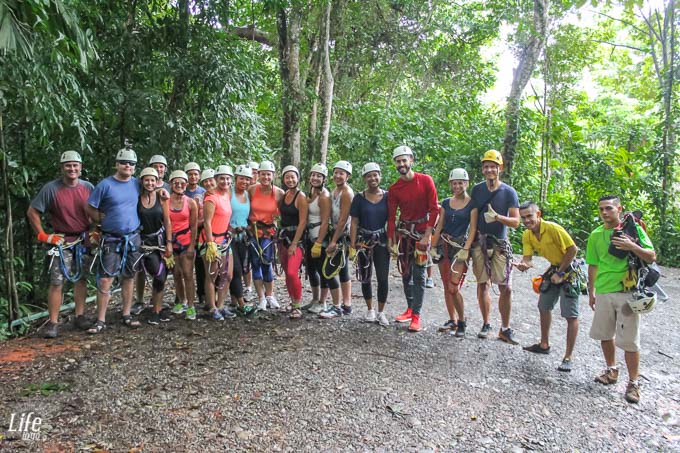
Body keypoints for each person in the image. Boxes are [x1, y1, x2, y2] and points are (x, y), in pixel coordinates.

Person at [586, 195, 656, 404]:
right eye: (601, 209)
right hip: (604, 290)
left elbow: (651, 256)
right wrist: (591, 292)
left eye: (609, 208)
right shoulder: (596, 235)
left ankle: (633, 383)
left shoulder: (632, 230)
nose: (605, 213)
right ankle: (611, 370)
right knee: (605, 334)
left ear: (619, 209)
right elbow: (592, 264)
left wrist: (631, 246)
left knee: (630, 341)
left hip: (628, 291)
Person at [27, 151, 95, 338]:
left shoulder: (88, 187)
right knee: (57, 281)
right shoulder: (51, 189)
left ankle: (80, 316)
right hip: (62, 241)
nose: (72, 169)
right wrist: (43, 235)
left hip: (83, 239)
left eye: (75, 165)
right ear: (62, 168)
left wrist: (96, 230)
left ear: (80, 168)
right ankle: (53, 322)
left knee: (81, 278)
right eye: (68, 165)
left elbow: (98, 210)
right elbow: (33, 211)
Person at [514, 202, 580, 371]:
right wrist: (524, 265)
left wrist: (561, 273)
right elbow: (528, 258)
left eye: (530, 216)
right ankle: (544, 344)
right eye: (524, 218)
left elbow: (573, 250)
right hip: (554, 269)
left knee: (570, 314)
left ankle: (568, 356)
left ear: (538, 214)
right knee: (543, 306)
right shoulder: (527, 235)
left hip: (569, 270)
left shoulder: (553, 228)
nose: (527, 220)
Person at [85, 148, 144, 333]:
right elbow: (90, 207)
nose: (128, 166)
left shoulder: (137, 184)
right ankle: (100, 319)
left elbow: (154, 189)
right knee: (105, 279)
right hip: (111, 238)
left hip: (132, 237)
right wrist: (102, 220)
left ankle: (126, 313)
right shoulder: (105, 185)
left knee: (129, 276)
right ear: (117, 164)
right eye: (124, 162)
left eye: (132, 163)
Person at [470, 149, 520, 344]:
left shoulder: (509, 192)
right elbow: (473, 218)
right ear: (483, 169)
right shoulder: (478, 190)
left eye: (493, 166)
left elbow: (516, 221)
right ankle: (486, 323)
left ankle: (505, 328)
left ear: (500, 168)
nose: (490, 169)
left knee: (505, 286)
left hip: (499, 243)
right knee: (483, 283)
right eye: (486, 166)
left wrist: (498, 217)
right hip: (480, 242)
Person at [387, 145, 439, 332]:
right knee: (405, 273)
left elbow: (434, 209)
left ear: (411, 160)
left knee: (419, 274)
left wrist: (427, 235)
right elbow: (391, 217)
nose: (401, 164)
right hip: (405, 235)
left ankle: (416, 315)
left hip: (421, 234)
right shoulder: (394, 189)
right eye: (398, 161)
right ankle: (409, 308)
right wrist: (391, 240)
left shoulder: (425, 181)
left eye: (404, 160)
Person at [431, 168, 477, 338]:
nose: (457, 186)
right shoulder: (445, 203)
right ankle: (452, 319)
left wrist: (466, 249)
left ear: (466, 183)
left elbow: (472, 228)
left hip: (460, 248)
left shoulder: (472, 204)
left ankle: (462, 321)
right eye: (454, 183)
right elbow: (440, 225)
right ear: (451, 184)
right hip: (445, 246)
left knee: (453, 286)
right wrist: (433, 246)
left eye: (460, 183)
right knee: (446, 284)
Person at [349, 163, 390, 327]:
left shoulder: (388, 196)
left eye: (375, 175)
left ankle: (381, 311)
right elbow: (354, 222)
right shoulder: (359, 198)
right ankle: (370, 309)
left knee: (382, 277)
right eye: (369, 176)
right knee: (365, 276)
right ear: (365, 179)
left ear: (380, 176)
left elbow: (393, 220)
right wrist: (353, 245)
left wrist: (393, 241)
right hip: (363, 240)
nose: (373, 178)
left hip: (381, 239)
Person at [302, 164, 341, 315]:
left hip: (320, 236)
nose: (315, 178)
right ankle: (315, 299)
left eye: (319, 176)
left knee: (324, 270)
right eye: (313, 175)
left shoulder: (324, 196)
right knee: (311, 269)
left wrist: (319, 242)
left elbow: (325, 221)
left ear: (324, 179)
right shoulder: (310, 192)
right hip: (310, 235)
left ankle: (324, 302)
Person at [137, 167, 173, 325]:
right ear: (142, 182)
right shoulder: (137, 198)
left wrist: (169, 243)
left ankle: (156, 310)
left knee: (162, 276)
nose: (150, 183)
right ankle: (153, 307)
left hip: (161, 241)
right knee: (157, 274)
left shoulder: (161, 197)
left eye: (152, 180)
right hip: (144, 243)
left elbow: (167, 221)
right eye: (147, 180)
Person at [199, 167, 235, 320]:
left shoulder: (227, 194)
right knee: (212, 275)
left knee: (227, 275)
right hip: (211, 240)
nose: (225, 181)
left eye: (227, 178)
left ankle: (220, 305)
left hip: (225, 240)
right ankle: (212, 307)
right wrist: (210, 243)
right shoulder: (211, 198)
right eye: (222, 178)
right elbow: (207, 222)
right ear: (216, 179)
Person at [248, 160, 285, 310]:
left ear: (273, 175)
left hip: (269, 232)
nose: (265, 177)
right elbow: (245, 208)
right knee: (255, 263)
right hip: (254, 231)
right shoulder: (251, 190)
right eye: (263, 174)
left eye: (268, 174)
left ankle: (270, 295)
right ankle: (261, 297)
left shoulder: (278, 193)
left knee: (267, 263)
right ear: (258, 175)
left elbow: (284, 213)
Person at [320, 161, 354, 319]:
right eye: (336, 172)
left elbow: (343, 219)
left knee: (331, 270)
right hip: (336, 232)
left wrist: (333, 241)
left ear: (347, 176)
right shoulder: (335, 191)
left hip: (341, 234)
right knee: (343, 269)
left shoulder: (346, 192)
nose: (338, 176)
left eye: (342, 173)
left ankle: (336, 306)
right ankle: (347, 305)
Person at [277, 165, 308, 318]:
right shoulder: (284, 195)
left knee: (291, 272)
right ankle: (292, 301)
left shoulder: (301, 197)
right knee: (287, 273)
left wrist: (295, 243)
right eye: (287, 177)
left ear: (298, 178)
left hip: (297, 239)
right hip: (283, 238)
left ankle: (297, 305)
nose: (290, 180)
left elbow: (303, 222)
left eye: (293, 177)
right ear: (283, 179)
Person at [168, 170, 199, 321]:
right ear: (171, 184)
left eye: (182, 183)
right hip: (171, 242)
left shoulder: (190, 203)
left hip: (186, 242)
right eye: (176, 183)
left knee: (187, 274)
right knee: (177, 274)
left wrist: (192, 246)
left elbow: (193, 226)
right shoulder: (166, 202)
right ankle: (182, 301)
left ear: (186, 185)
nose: (179, 185)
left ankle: (191, 305)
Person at [229, 165, 256, 316]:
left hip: (244, 237)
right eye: (241, 178)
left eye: (247, 179)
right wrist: (230, 229)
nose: (244, 181)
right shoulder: (229, 193)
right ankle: (241, 304)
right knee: (236, 269)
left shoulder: (248, 195)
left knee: (243, 268)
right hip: (229, 237)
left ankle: (233, 299)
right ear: (236, 179)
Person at [184, 162, 206, 307]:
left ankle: (202, 294)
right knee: (184, 267)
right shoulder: (181, 190)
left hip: (200, 233)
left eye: (195, 174)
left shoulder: (204, 191)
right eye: (190, 174)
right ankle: (183, 297)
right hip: (184, 233)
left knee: (201, 265)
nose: (193, 176)